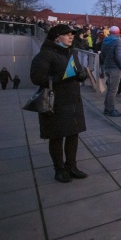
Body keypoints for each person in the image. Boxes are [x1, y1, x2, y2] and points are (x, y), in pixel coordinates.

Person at [30, 24, 88, 182]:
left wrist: (81, 75)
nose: (71, 36)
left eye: (72, 34)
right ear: (56, 37)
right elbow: (37, 78)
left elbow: (76, 72)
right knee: (57, 136)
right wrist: (62, 77)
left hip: (73, 100)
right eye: (67, 34)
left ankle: (72, 166)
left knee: (73, 134)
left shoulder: (71, 53)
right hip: (55, 101)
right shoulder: (46, 55)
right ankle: (59, 169)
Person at [100, 26, 121, 117]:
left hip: (107, 67)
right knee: (113, 90)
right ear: (118, 33)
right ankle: (111, 109)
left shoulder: (105, 41)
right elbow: (118, 56)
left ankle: (107, 108)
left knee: (109, 89)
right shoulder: (117, 42)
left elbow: (102, 54)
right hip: (115, 68)